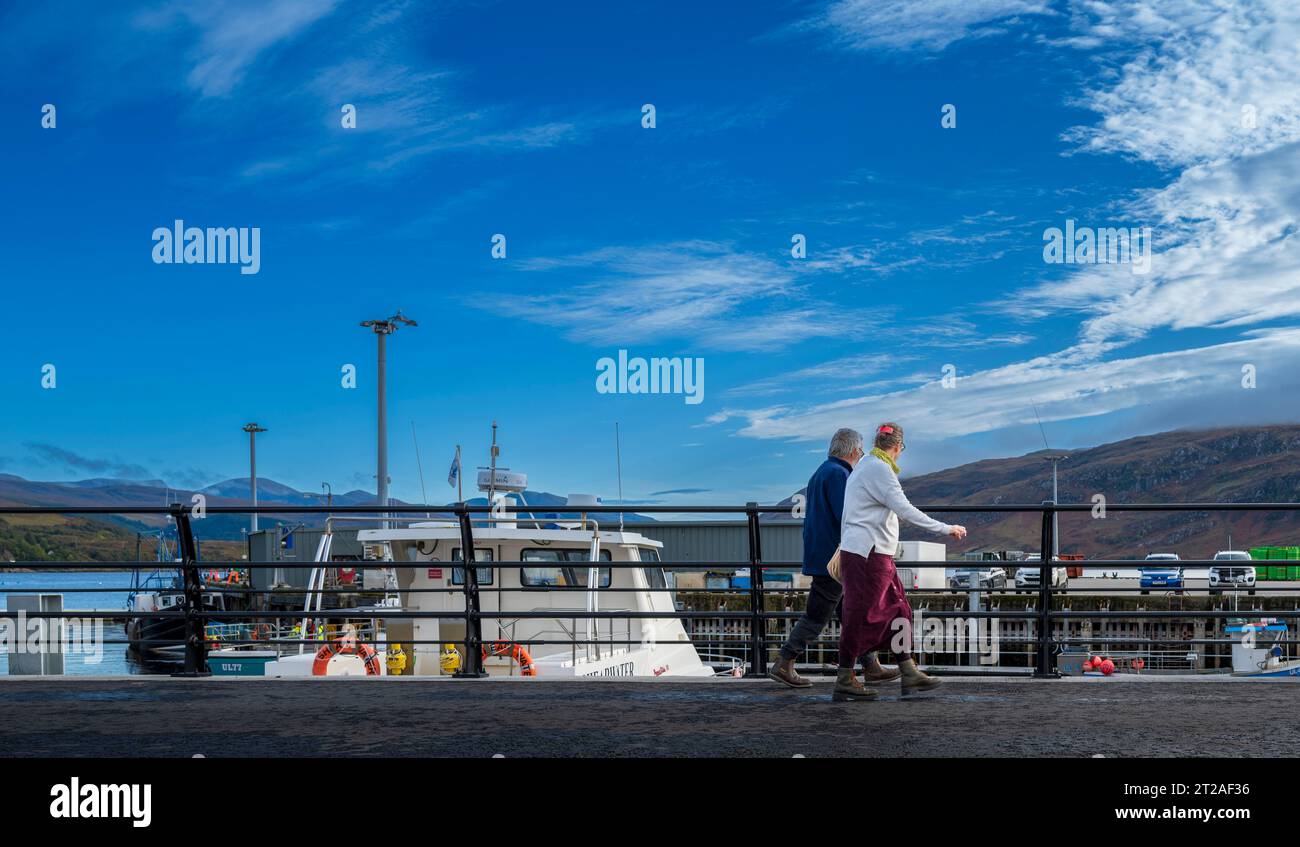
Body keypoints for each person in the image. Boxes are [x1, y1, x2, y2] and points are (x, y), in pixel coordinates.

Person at [834, 423, 967, 701]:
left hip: (873, 552)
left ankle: (908, 669)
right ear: (897, 447)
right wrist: (946, 528)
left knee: (899, 610)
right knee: (860, 614)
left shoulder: (867, 464)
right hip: (867, 555)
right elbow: (904, 508)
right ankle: (845, 677)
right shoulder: (879, 470)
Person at [769, 428, 901, 688]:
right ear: (853, 451)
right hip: (837, 559)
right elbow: (851, 515)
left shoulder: (821, 473)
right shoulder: (841, 475)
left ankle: (870, 665)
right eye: (861, 451)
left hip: (822, 555)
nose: (861, 455)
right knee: (818, 615)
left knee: (852, 613)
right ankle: (784, 662)